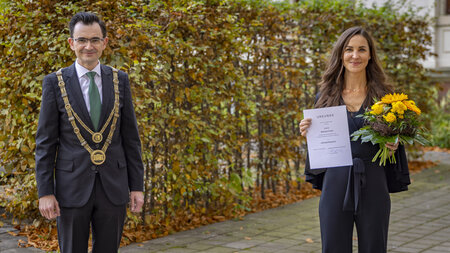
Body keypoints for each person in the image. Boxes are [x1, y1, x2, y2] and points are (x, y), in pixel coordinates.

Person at [35, 12, 144, 253]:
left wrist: (137, 186)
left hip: (113, 187)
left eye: (95, 40)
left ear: (105, 43)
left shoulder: (120, 80)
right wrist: (45, 192)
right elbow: (45, 143)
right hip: (71, 188)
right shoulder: (54, 83)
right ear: (71, 43)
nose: (88, 46)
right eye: (82, 40)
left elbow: (130, 139)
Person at [299, 26, 410, 253]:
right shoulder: (326, 95)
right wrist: (307, 130)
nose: (355, 55)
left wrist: (395, 142)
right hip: (336, 181)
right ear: (341, 54)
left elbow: (395, 141)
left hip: (374, 179)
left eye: (362, 50)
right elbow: (320, 138)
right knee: (333, 247)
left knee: (374, 247)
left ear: (370, 55)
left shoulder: (385, 96)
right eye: (349, 49)